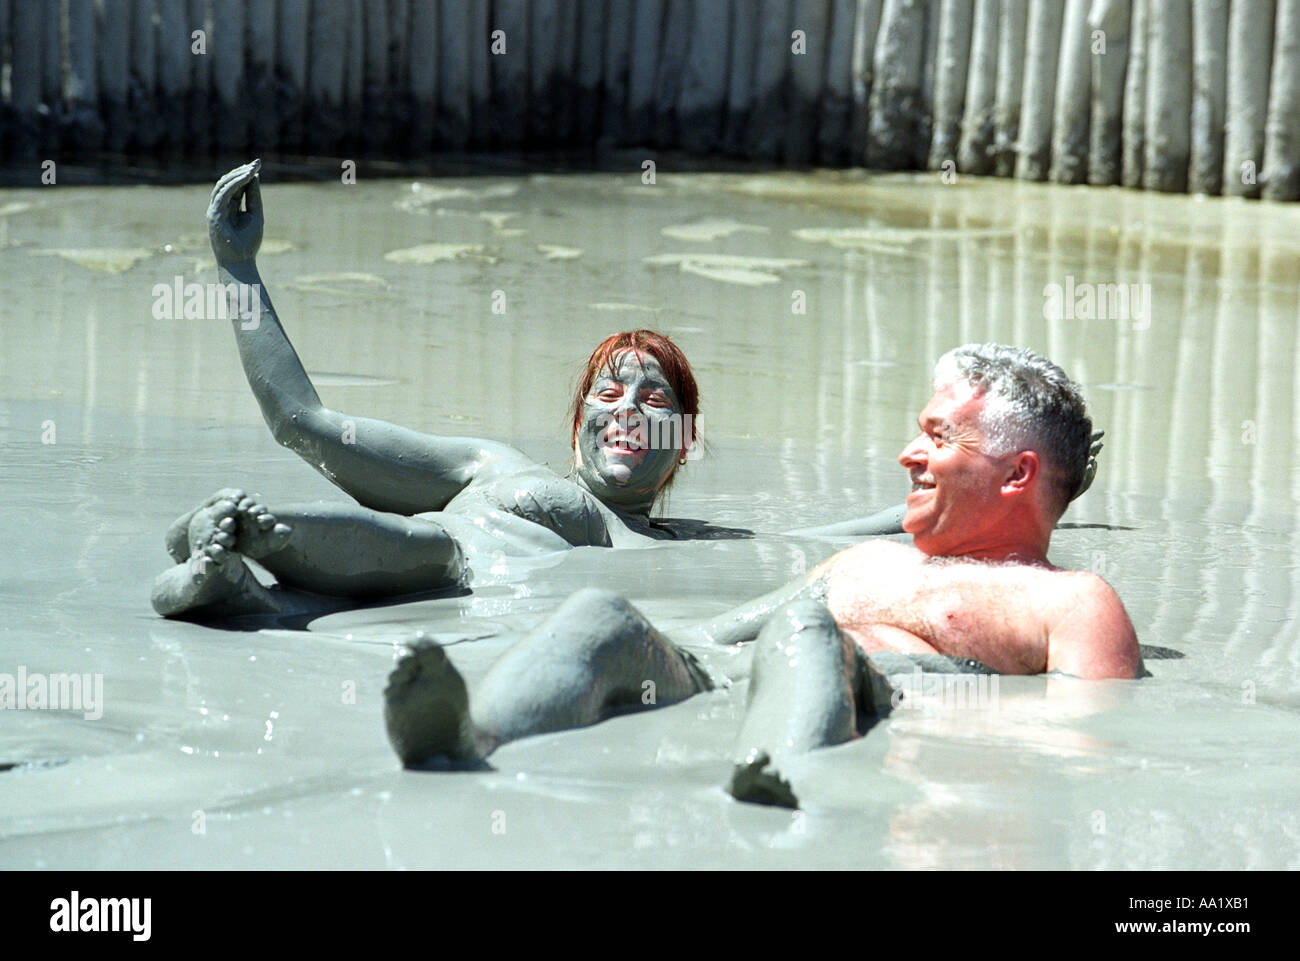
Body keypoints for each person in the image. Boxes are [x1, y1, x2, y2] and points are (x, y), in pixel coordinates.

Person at [382, 343, 1141, 808]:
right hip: (737, 682)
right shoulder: (862, 562)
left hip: (883, 704)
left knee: (806, 629)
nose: (909, 454)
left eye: (937, 436)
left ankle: (775, 783)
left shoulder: (1071, 600)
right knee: (602, 614)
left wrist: (951, 697)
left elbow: (1087, 746)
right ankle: (465, 733)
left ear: (1018, 475)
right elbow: (711, 637)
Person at [151, 161, 912, 622]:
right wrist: (237, 266)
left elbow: (843, 536)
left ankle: (225, 570)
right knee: (416, 545)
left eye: (655, 405)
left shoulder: (682, 546)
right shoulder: (491, 467)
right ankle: (232, 551)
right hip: (432, 555)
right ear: (576, 423)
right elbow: (302, 421)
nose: (627, 412)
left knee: (394, 564)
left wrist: (975, 486)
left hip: (462, 604)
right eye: (609, 396)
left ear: (683, 442)